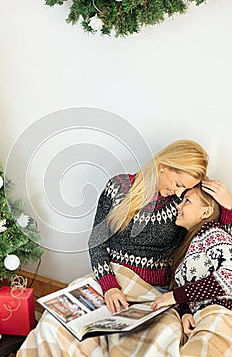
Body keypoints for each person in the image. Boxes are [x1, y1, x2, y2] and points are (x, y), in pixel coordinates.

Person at [88, 139, 232, 313]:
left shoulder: (181, 205)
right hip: (113, 280)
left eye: (185, 189)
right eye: (178, 184)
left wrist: (228, 209)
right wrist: (109, 285)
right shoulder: (118, 187)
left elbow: (216, 243)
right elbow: (96, 242)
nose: (179, 193)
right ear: (163, 166)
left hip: (156, 292)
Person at [151, 184, 232, 336]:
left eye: (187, 201)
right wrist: (185, 312)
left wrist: (175, 296)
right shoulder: (190, 246)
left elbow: (228, 278)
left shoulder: (212, 231)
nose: (178, 206)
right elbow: (188, 291)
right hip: (200, 319)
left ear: (206, 211)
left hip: (222, 313)